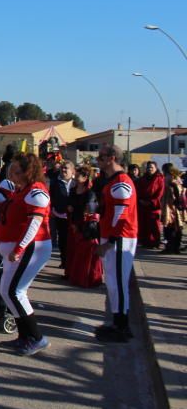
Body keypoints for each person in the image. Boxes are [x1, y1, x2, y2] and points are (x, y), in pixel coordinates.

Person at [0, 152, 52, 356]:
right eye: (12, 171)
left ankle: (37, 337)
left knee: (15, 292)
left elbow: (34, 224)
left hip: (33, 247)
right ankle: (24, 336)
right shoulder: (23, 190)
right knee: (6, 291)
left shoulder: (37, 192)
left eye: (17, 171)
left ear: (28, 172)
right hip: (19, 247)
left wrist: (19, 248)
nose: (13, 175)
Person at [94, 144, 138, 343]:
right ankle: (117, 321)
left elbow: (121, 217)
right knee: (112, 281)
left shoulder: (121, 183)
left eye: (101, 156)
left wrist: (109, 241)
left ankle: (122, 325)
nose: (98, 159)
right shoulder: (114, 182)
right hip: (114, 237)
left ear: (112, 158)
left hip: (120, 238)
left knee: (118, 282)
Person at [65, 165, 102, 288]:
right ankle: (72, 274)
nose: (76, 176)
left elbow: (90, 210)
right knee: (73, 251)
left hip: (85, 225)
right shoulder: (73, 190)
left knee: (85, 253)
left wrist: (80, 223)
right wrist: (69, 208)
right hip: (74, 222)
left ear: (86, 177)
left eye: (79, 174)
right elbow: (69, 204)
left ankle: (87, 278)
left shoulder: (90, 193)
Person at [48, 160, 76, 270]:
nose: (63, 170)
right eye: (62, 168)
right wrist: (52, 210)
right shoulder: (55, 182)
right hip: (60, 215)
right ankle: (64, 261)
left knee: (73, 240)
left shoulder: (76, 182)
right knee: (63, 240)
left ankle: (73, 262)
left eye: (66, 168)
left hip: (74, 216)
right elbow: (51, 197)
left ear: (72, 170)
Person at [135, 161, 164, 249]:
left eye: (152, 167)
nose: (150, 169)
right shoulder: (142, 179)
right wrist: (140, 200)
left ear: (156, 168)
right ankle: (145, 241)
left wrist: (151, 202)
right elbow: (138, 190)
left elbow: (160, 193)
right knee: (144, 224)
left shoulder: (159, 179)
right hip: (143, 205)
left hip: (153, 206)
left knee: (154, 225)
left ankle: (155, 242)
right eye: (148, 167)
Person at [160, 165, 185, 254]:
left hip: (171, 207)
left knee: (170, 228)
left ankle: (171, 247)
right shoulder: (177, 178)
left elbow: (175, 193)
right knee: (176, 228)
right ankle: (175, 247)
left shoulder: (170, 179)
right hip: (175, 207)